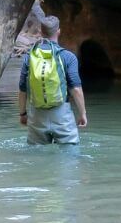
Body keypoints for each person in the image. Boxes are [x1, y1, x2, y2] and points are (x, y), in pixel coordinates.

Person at [18, 15, 87, 145]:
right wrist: (82, 113)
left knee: (37, 154)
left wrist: (22, 113)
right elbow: (76, 89)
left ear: (41, 32)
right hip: (61, 115)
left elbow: (22, 89)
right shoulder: (67, 56)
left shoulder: (30, 56)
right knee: (70, 155)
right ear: (58, 31)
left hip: (37, 115)